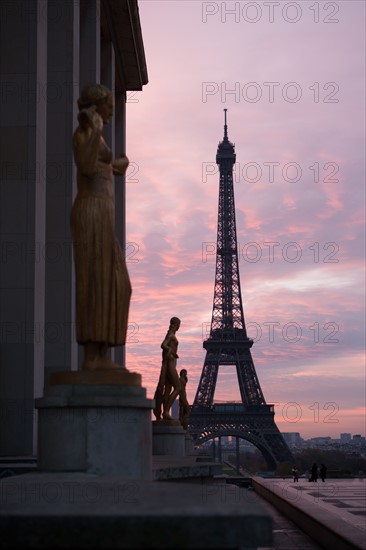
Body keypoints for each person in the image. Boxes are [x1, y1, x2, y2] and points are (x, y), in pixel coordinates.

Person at [71, 84, 131, 370]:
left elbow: (103, 166)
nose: (112, 110)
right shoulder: (85, 131)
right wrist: (93, 126)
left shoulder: (97, 136)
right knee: (95, 281)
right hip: (91, 213)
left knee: (118, 284)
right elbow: (84, 164)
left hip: (103, 217)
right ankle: (92, 356)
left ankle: (103, 351)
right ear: (98, 105)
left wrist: (118, 164)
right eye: (109, 105)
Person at [153, 317, 181, 420]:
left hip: (171, 362)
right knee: (178, 387)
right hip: (170, 363)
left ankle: (165, 412)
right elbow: (163, 345)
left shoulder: (171, 334)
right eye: (179, 324)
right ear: (176, 324)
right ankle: (165, 411)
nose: (179, 326)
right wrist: (172, 352)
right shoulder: (171, 335)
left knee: (168, 389)